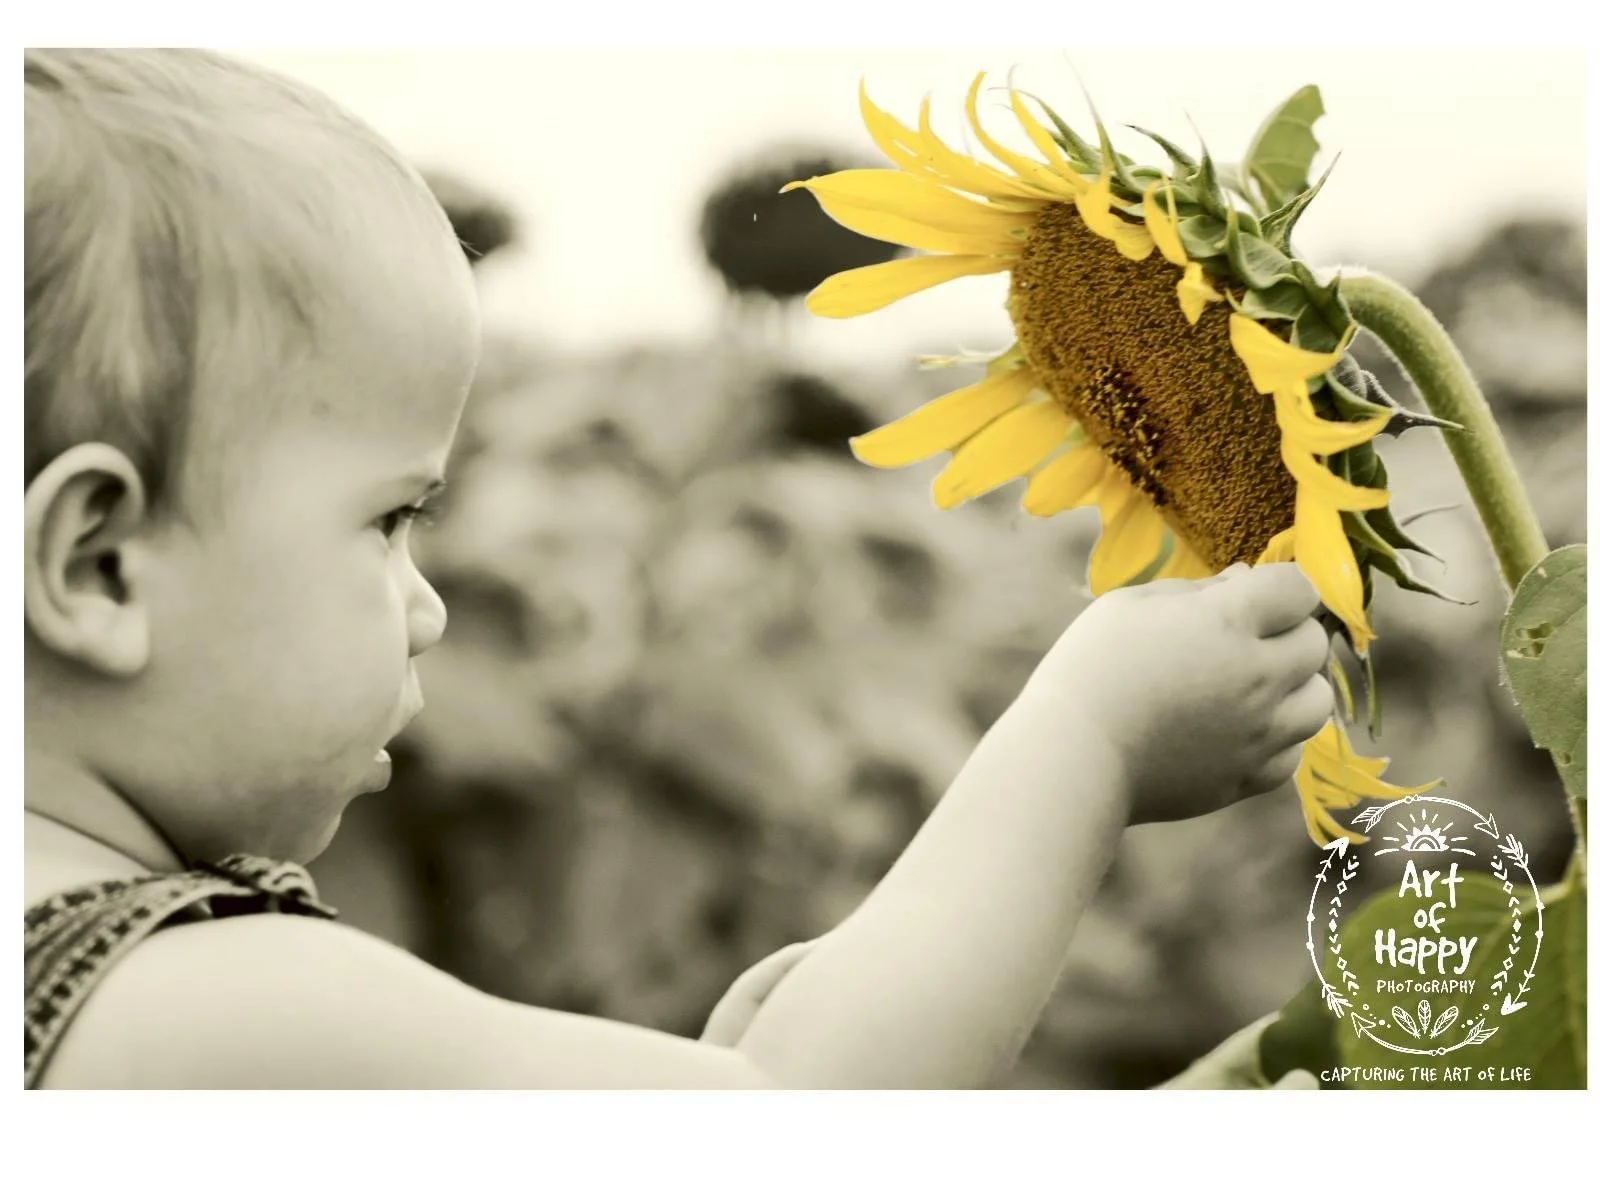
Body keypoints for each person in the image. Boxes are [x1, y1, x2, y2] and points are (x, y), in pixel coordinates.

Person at [23, 48, 1332, 1090]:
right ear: (99, 566)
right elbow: (799, 1145)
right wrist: (1093, 744)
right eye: (392, 519)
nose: (427, 606)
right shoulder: (219, 1013)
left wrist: (737, 1062)